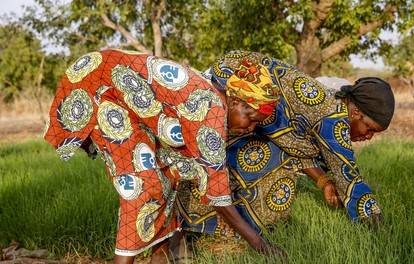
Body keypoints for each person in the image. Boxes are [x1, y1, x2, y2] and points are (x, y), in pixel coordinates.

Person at [43, 49, 286, 263]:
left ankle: (161, 256)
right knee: (141, 187)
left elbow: (201, 173)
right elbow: (216, 190)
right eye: (251, 119)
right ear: (235, 101)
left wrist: (220, 202)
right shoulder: (212, 110)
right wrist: (261, 245)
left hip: (113, 86)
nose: (249, 128)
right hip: (99, 85)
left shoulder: (214, 100)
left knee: (169, 172)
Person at [172, 51, 395, 255]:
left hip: (234, 76)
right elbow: (350, 179)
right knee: (206, 158)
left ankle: (195, 227)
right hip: (233, 82)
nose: (368, 137)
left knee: (213, 159)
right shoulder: (334, 121)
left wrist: (323, 181)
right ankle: (184, 232)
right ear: (356, 112)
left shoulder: (328, 102)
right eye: (370, 129)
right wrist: (380, 227)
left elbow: (293, 143)